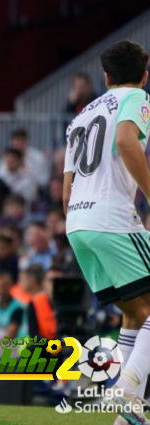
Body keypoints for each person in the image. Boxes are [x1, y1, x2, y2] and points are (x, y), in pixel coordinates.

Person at [63, 40, 150, 423]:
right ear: (144, 76)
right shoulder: (137, 98)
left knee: (136, 312)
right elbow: (125, 140)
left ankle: (126, 411)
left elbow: (65, 186)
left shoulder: (81, 116)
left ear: (105, 76)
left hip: (77, 222)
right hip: (110, 218)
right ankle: (126, 386)